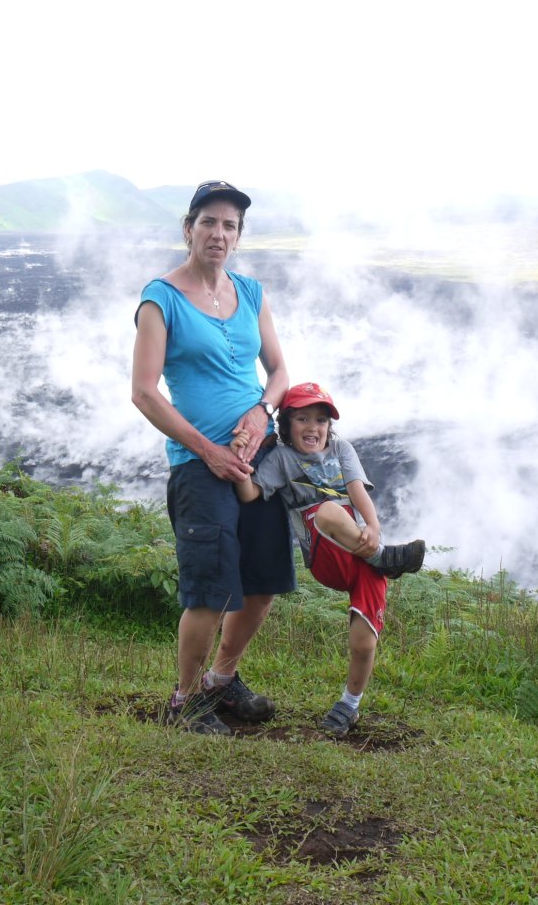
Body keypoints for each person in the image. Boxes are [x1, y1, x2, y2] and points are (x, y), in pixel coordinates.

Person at [131, 179, 295, 736]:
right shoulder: (161, 298)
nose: (219, 233)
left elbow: (278, 373)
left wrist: (261, 414)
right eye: (209, 222)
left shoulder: (251, 293)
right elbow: (145, 392)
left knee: (263, 577)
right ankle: (186, 701)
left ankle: (221, 681)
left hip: (259, 456)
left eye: (230, 225)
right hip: (199, 466)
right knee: (210, 586)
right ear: (188, 228)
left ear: (239, 235)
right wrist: (209, 451)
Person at [230, 381, 425, 736]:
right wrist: (240, 458)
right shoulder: (281, 459)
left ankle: (348, 705)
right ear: (287, 425)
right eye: (302, 419)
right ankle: (386, 559)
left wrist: (374, 528)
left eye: (320, 420)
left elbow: (356, 487)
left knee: (363, 643)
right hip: (325, 553)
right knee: (329, 512)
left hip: (362, 552)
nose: (313, 427)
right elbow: (249, 493)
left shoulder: (342, 448)